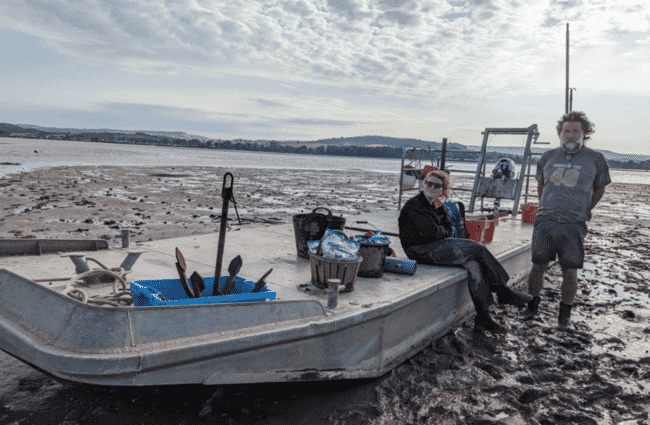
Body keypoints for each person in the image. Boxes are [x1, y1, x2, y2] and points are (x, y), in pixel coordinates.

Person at [398, 168, 532, 334]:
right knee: (478, 248)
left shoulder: (438, 207)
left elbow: (449, 230)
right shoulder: (414, 205)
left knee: (474, 265)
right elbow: (433, 233)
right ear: (423, 185)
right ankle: (503, 291)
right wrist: (443, 230)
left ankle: (483, 317)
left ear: (442, 190)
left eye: (437, 186)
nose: (432, 188)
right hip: (420, 251)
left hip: (435, 246)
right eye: (429, 183)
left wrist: (442, 228)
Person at [522, 111, 611, 327]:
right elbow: (541, 186)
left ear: (584, 134)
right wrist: (545, 207)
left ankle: (564, 315)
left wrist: (583, 209)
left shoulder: (596, 159)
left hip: (574, 223)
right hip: (546, 220)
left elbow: (599, 190)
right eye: (566, 131)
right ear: (560, 133)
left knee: (569, 270)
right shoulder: (547, 157)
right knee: (538, 266)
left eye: (575, 131)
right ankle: (532, 306)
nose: (570, 135)